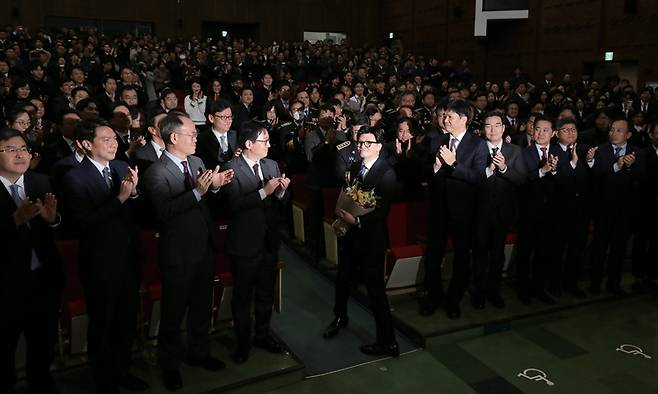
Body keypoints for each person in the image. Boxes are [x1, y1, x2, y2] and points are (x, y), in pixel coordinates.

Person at [143, 113, 233, 391]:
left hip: (203, 245)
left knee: (201, 305)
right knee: (173, 310)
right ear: (173, 138)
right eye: (192, 135)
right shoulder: (155, 172)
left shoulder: (196, 162)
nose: (197, 139)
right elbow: (164, 212)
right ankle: (169, 364)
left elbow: (206, 199)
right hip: (178, 251)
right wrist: (196, 192)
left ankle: (199, 352)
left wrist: (214, 189)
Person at [62, 119, 147, 394]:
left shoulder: (122, 167)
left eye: (114, 139)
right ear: (87, 144)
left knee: (125, 321)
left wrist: (133, 195)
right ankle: (104, 380)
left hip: (127, 257)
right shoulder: (74, 177)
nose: (114, 144)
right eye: (106, 139)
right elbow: (84, 224)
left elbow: (138, 213)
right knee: (103, 323)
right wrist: (120, 199)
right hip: (99, 262)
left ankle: (123, 371)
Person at [323, 127, 400, 357]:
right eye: (360, 142)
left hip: (372, 239)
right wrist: (343, 218)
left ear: (379, 146)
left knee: (375, 291)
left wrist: (356, 219)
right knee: (343, 278)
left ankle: (388, 342)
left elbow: (382, 211)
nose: (362, 146)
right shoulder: (355, 167)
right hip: (351, 235)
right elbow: (348, 195)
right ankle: (339, 317)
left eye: (368, 143)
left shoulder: (386, 173)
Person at [0, 128, 64, 394]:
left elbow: (60, 225)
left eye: (24, 149)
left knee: (42, 343)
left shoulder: (41, 182)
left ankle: (42, 384)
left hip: (43, 280)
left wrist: (52, 220)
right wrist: (14, 221)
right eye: (11, 149)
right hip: (5, 286)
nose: (20, 154)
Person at [221, 121, 290, 364]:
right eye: (265, 141)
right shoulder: (231, 168)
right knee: (243, 296)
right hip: (244, 242)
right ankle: (242, 342)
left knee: (265, 293)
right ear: (249, 144)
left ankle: (263, 334)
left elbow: (279, 200)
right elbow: (234, 205)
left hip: (269, 241)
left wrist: (281, 191)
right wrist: (264, 192)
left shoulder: (270, 164)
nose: (269, 145)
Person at [419, 99, 488, 319]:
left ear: (464, 119)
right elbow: (427, 174)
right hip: (438, 209)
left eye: (450, 116)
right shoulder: (436, 140)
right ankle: (433, 296)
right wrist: (436, 168)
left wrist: (454, 165)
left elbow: (478, 178)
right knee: (432, 256)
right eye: (444, 116)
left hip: (464, 212)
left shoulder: (477, 144)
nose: (445, 119)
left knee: (461, 258)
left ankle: (453, 299)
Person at [472, 112, 526, 309]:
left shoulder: (514, 151)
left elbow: (521, 179)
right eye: (488, 126)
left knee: (497, 254)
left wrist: (503, 168)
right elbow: (469, 179)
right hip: (479, 211)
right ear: (483, 129)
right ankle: (478, 292)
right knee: (479, 253)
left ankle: (494, 291)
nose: (492, 130)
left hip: (503, 212)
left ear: (504, 128)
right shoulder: (475, 149)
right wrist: (488, 171)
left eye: (497, 125)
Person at [589, 118, 644, 296]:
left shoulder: (637, 153)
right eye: (612, 129)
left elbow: (643, 178)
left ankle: (614, 282)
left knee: (618, 249)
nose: (613, 132)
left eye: (619, 130)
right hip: (603, 209)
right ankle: (595, 282)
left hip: (625, 211)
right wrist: (616, 165)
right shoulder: (600, 150)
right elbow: (596, 174)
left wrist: (630, 167)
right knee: (599, 248)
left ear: (628, 134)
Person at [515, 115, 561, 305]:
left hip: (551, 212)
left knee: (544, 251)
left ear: (553, 133)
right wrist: (543, 171)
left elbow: (565, 180)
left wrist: (555, 170)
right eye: (537, 129)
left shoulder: (560, 153)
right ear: (532, 131)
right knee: (525, 252)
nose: (540, 133)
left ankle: (539, 287)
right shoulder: (523, 153)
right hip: (528, 211)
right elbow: (521, 180)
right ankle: (523, 289)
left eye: (545, 130)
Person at [550, 117, 593, 298]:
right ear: (557, 133)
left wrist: (589, 162)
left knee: (576, 249)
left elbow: (592, 177)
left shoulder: (585, 151)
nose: (570, 133)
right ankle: (554, 283)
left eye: (573, 129)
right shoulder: (551, 152)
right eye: (566, 129)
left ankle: (571, 282)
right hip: (559, 210)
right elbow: (557, 180)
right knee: (557, 249)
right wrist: (572, 164)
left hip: (581, 210)